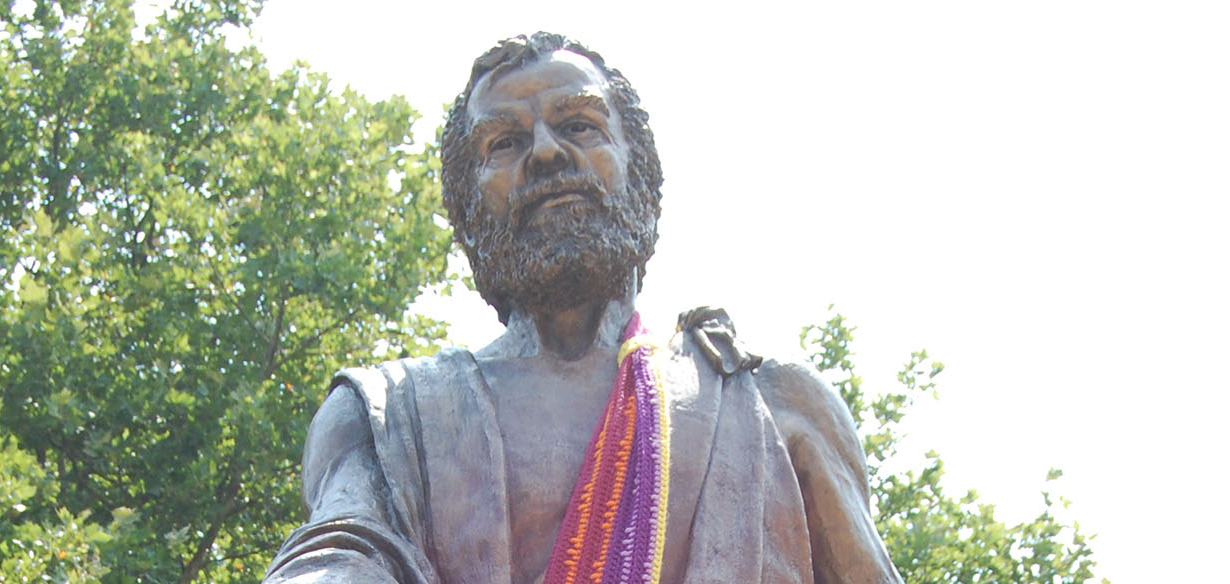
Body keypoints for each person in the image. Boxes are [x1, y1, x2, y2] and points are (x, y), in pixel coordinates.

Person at [263, 32, 903, 584]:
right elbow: (343, 551)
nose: (545, 151)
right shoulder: (388, 416)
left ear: (640, 171)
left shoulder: (775, 406)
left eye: (578, 125)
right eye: (504, 143)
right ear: (467, 205)